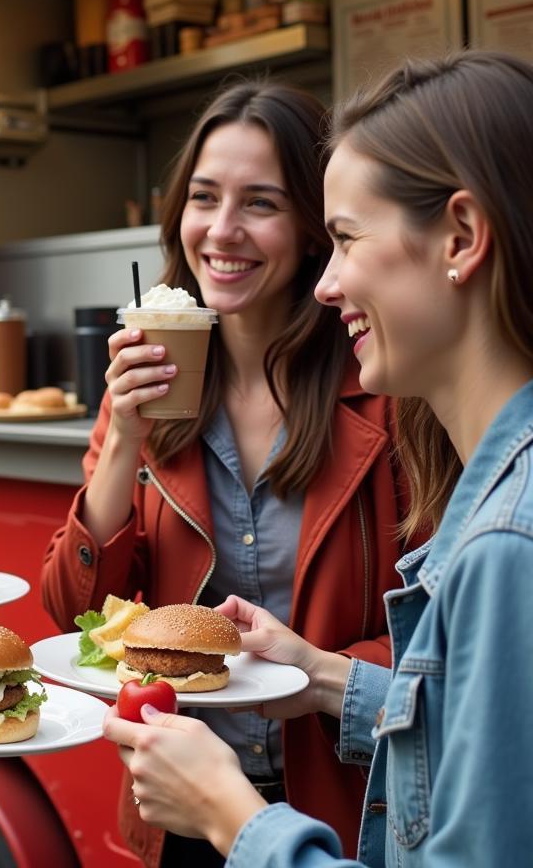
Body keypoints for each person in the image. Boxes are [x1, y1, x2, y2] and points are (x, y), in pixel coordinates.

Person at [103, 50, 533, 866]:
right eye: (203, 197)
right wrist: (320, 675)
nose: (328, 284)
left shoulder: (506, 539)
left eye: (345, 238)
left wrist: (233, 816)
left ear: (463, 237)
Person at [41, 81, 413, 865]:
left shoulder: (387, 395)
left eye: (262, 204)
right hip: (184, 801)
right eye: (204, 198)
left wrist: (316, 676)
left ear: (317, 232)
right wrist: (121, 446)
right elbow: (73, 614)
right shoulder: (143, 388)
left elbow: (434, 635)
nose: (223, 229)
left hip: (344, 805)